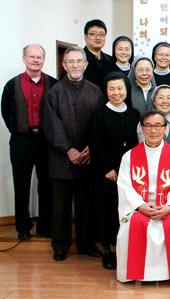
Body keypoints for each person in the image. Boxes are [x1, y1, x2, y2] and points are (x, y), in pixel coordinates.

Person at [116, 110, 170, 284]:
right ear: (142, 128)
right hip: (140, 207)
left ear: (165, 128)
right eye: (149, 126)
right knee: (135, 223)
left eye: (158, 126)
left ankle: (167, 273)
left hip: (167, 206)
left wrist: (169, 207)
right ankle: (136, 272)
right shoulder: (129, 157)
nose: (154, 131)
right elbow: (124, 186)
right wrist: (140, 205)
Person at [43, 47, 103, 261]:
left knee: (86, 205)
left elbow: (99, 122)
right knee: (61, 206)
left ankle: (86, 244)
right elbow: (51, 125)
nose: (75, 65)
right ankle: (60, 245)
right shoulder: (54, 93)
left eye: (79, 61)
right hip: (61, 159)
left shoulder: (96, 91)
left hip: (88, 158)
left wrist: (90, 148)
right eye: (71, 61)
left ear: (86, 65)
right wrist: (68, 149)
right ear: (64, 65)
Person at [1, 44, 57, 239]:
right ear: (24, 59)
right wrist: (19, 130)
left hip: (45, 141)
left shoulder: (53, 84)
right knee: (21, 185)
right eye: (31, 57)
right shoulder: (11, 85)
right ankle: (22, 229)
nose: (35, 60)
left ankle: (44, 227)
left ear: (44, 59)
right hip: (21, 141)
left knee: (46, 185)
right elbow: (6, 112)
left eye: (39, 57)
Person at [88, 72, 140, 269]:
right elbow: (95, 144)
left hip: (129, 175)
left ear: (126, 90)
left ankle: (123, 248)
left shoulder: (134, 114)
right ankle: (107, 251)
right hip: (107, 174)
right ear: (106, 91)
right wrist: (107, 169)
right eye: (112, 89)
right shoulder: (99, 114)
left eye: (120, 88)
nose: (116, 93)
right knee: (105, 211)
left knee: (125, 210)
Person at [137, 85, 170, 158]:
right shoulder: (144, 123)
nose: (165, 101)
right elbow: (143, 148)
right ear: (154, 101)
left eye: (168, 98)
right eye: (160, 98)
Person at [82, 19, 113, 87]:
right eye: (93, 34)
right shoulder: (78, 59)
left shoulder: (111, 60)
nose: (98, 38)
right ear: (85, 37)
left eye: (102, 34)